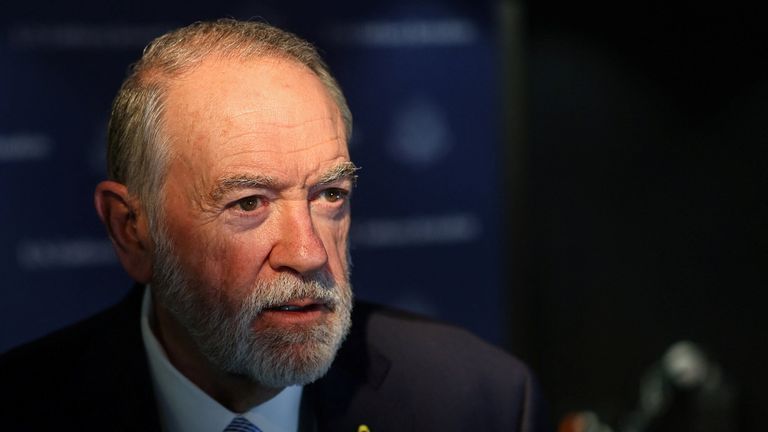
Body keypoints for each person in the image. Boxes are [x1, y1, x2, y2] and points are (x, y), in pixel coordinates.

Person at [0, 19, 547, 431]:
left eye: (330, 195)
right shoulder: (25, 405)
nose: (309, 254)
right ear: (130, 229)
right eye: (249, 204)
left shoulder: (477, 401)